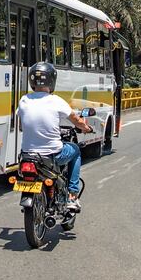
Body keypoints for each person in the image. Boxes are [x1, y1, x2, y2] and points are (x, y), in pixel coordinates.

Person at [17, 61, 92, 212]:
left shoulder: (24, 100)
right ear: (52, 80)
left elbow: (21, 126)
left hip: (27, 156)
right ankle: (72, 195)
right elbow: (76, 120)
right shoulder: (56, 100)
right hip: (52, 155)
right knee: (76, 150)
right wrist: (86, 128)